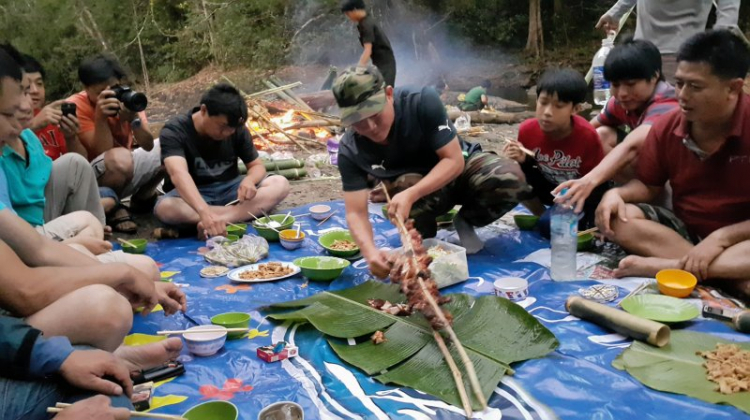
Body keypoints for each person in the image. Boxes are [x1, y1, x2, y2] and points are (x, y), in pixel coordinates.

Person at [595, 29, 750, 299]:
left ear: (733, 88)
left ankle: (672, 267)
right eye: (679, 83)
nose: (682, 95)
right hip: (685, 233)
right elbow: (648, 186)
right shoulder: (667, 127)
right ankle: (730, 276)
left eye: (695, 86)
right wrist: (615, 193)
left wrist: (722, 238)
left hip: (742, 238)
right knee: (619, 219)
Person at [332, 66, 531, 274]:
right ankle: (424, 239)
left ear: (388, 95)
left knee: (509, 177)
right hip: (417, 195)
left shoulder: (420, 101)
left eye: (375, 113)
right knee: (417, 246)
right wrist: (370, 252)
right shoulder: (350, 149)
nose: (371, 126)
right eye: (358, 121)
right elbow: (355, 212)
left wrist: (411, 194)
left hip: (457, 172)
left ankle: (465, 220)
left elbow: (454, 160)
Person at [553, 38, 680, 213]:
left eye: (630, 84)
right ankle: (629, 195)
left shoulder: (667, 102)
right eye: (615, 85)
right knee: (601, 135)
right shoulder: (622, 102)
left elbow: (634, 146)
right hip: (647, 173)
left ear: (654, 76)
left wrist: (589, 181)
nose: (622, 93)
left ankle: (657, 206)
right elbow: (587, 130)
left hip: (672, 181)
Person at [0, 46, 106, 243]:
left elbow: (76, 171)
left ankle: (94, 234)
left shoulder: (32, 136)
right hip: (21, 236)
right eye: (24, 90)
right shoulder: (14, 135)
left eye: (38, 85)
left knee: (75, 164)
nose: (31, 97)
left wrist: (71, 137)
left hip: (41, 217)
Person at [154, 83, 290, 237]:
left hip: (231, 190)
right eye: (223, 126)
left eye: (232, 129)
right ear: (204, 110)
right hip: (194, 194)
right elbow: (179, 175)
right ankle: (235, 216)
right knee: (166, 208)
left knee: (280, 183)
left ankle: (221, 219)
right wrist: (203, 211)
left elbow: (257, 166)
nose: (228, 133)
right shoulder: (175, 130)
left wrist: (250, 180)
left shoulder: (235, 128)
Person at [68, 54, 163, 233]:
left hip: (124, 167)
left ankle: (143, 197)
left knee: (169, 146)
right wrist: (100, 118)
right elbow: (102, 153)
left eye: (112, 89)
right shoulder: (76, 106)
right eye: (100, 92)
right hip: (93, 180)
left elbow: (148, 145)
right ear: (86, 89)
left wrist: (134, 118)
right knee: (120, 159)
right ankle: (113, 208)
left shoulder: (126, 97)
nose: (110, 96)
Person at [504, 69, 605, 235]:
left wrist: (593, 220)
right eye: (543, 102)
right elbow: (532, 174)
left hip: (576, 196)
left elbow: (596, 185)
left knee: (553, 226)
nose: (547, 112)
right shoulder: (527, 130)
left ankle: (560, 219)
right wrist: (524, 161)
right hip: (548, 190)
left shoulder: (587, 136)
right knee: (508, 173)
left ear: (576, 109)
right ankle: (542, 214)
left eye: (558, 106)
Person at [595, 0, 740, 84]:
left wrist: (719, 41)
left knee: (673, 117)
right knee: (637, 112)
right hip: (640, 53)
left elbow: (728, 10)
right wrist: (615, 13)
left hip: (682, 57)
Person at [23, 54, 88, 159]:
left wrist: (71, 137)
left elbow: (82, 161)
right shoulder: (7, 122)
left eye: (39, 83)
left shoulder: (52, 119)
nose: (35, 90)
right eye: (28, 85)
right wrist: (33, 125)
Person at [341, 0, 397, 87]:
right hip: (381, 63)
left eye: (348, 14)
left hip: (385, 65)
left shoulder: (366, 24)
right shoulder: (366, 21)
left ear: (355, 10)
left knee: (384, 92)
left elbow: (368, 50)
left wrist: (359, 70)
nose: (349, 17)